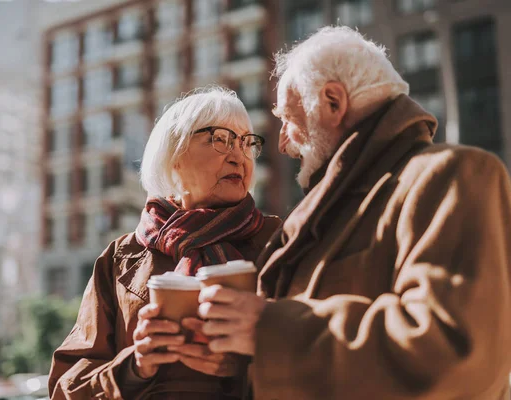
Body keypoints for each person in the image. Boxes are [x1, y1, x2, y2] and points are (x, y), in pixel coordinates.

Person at [196, 26, 511, 399]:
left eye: (288, 120)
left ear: (332, 102)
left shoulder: (453, 174)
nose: (282, 143)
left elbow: (456, 349)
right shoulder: (329, 211)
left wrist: (269, 329)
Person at [48, 87, 281, 400]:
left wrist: (249, 364)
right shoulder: (121, 257)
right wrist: (133, 367)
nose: (238, 156)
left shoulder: (280, 242)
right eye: (220, 139)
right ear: (174, 157)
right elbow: (66, 387)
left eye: (246, 142)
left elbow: (323, 356)